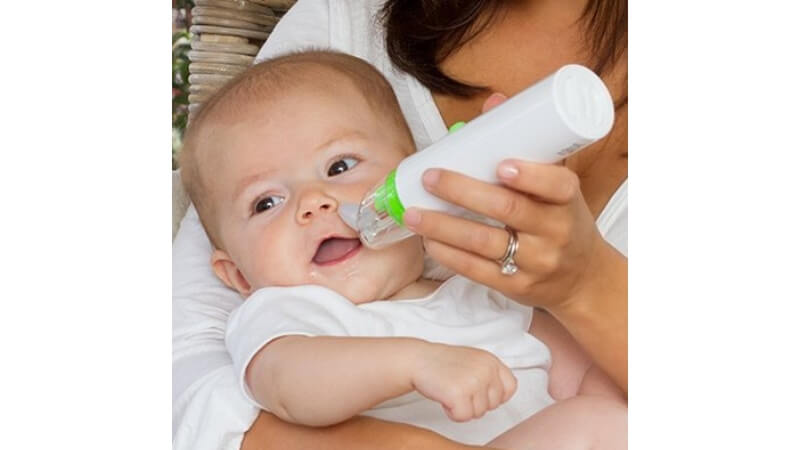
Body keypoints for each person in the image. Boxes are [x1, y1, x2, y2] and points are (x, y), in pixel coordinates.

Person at [172, 0, 628, 449]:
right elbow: (290, 390)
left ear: (412, 180)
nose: (313, 202)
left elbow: (583, 376)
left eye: (339, 167)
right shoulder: (288, 318)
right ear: (236, 276)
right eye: (266, 202)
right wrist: (415, 363)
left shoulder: (478, 296)